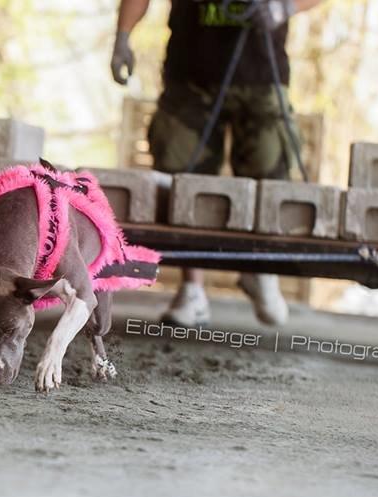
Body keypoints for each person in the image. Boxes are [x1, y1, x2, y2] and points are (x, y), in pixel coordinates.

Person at [110, 0, 322, 326]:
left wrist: (285, 7)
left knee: (271, 170)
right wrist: (123, 36)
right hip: (190, 74)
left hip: (261, 73)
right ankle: (192, 289)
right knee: (183, 180)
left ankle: (260, 271)